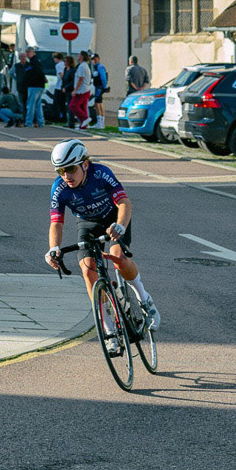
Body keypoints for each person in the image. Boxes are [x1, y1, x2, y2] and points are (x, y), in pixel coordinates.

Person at [44, 138, 159, 330]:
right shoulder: (59, 188)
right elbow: (56, 222)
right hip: (88, 222)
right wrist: (53, 248)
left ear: (85, 164)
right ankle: (108, 327)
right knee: (88, 269)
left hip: (114, 217)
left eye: (71, 168)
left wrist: (120, 225)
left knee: (118, 257)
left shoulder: (101, 173)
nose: (66, 175)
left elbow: (125, 203)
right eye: (60, 171)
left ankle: (144, 299)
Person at [69, 51, 92, 130]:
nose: (77, 56)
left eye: (78, 55)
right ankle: (83, 125)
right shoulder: (85, 66)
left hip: (81, 90)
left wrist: (75, 90)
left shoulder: (82, 66)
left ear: (82, 56)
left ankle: (85, 118)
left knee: (73, 105)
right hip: (86, 89)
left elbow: (81, 79)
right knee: (82, 107)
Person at [24, 53, 47, 128]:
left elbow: (37, 72)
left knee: (31, 105)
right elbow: (41, 72)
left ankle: (29, 122)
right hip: (39, 86)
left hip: (33, 86)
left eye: (28, 52)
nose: (27, 54)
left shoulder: (33, 62)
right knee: (38, 105)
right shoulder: (37, 61)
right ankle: (41, 122)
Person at [91, 53, 109, 130]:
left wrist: (104, 87)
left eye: (95, 59)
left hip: (99, 87)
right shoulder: (96, 67)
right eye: (92, 59)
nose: (93, 61)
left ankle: (100, 122)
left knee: (98, 104)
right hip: (98, 87)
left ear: (98, 59)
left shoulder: (100, 67)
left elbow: (103, 77)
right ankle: (101, 123)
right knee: (100, 104)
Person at [61, 54, 76, 125]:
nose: (64, 62)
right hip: (65, 90)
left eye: (65, 61)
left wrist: (66, 87)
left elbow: (73, 81)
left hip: (70, 90)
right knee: (66, 106)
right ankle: (67, 120)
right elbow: (63, 79)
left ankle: (71, 122)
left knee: (70, 106)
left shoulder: (73, 70)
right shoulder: (65, 69)